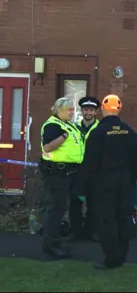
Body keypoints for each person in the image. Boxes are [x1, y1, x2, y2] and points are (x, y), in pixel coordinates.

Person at [82, 94, 137, 270]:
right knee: (123, 217)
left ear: (103, 110)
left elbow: (90, 163)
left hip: (103, 183)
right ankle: (121, 255)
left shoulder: (97, 133)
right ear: (120, 109)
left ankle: (111, 258)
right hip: (124, 182)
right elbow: (134, 162)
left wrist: (85, 188)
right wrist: (130, 183)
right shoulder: (130, 132)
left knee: (106, 220)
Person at [40, 97, 85, 259]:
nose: (72, 112)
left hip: (69, 172)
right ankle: (50, 244)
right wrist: (64, 136)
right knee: (55, 208)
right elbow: (47, 147)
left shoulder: (69, 125)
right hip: (57, 173)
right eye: (69, 109)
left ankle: (56, 241)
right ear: (58, 110)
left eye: (73, 109)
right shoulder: (53, 125)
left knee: (61, 207)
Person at [67, 96, 100, 242]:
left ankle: (91, 231)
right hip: (77, 172)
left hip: (94, 172)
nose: (88, 112)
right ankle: (75, 232)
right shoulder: (74, 127)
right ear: (82, 110)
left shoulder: (101, 128)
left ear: (96, 112)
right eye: (86, 109)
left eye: (91, 110)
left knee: (93, 204)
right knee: (75, 203)